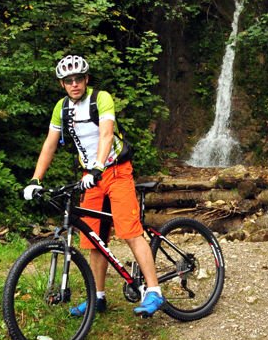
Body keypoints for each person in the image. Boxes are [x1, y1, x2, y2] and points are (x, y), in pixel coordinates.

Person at [23, 54, 164, 318]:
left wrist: (99, 165)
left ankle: (154, 291)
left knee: (129, 230)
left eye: (78, 79)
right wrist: (35, 179)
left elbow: (106, 134)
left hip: (116, 171)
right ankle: (97, 298)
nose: (74, 84)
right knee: (92, 238)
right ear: (62, 84)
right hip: (91, 176)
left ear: (86, 79)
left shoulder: (101, 98)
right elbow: (50, 144)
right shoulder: (61, 108)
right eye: (68, 80)